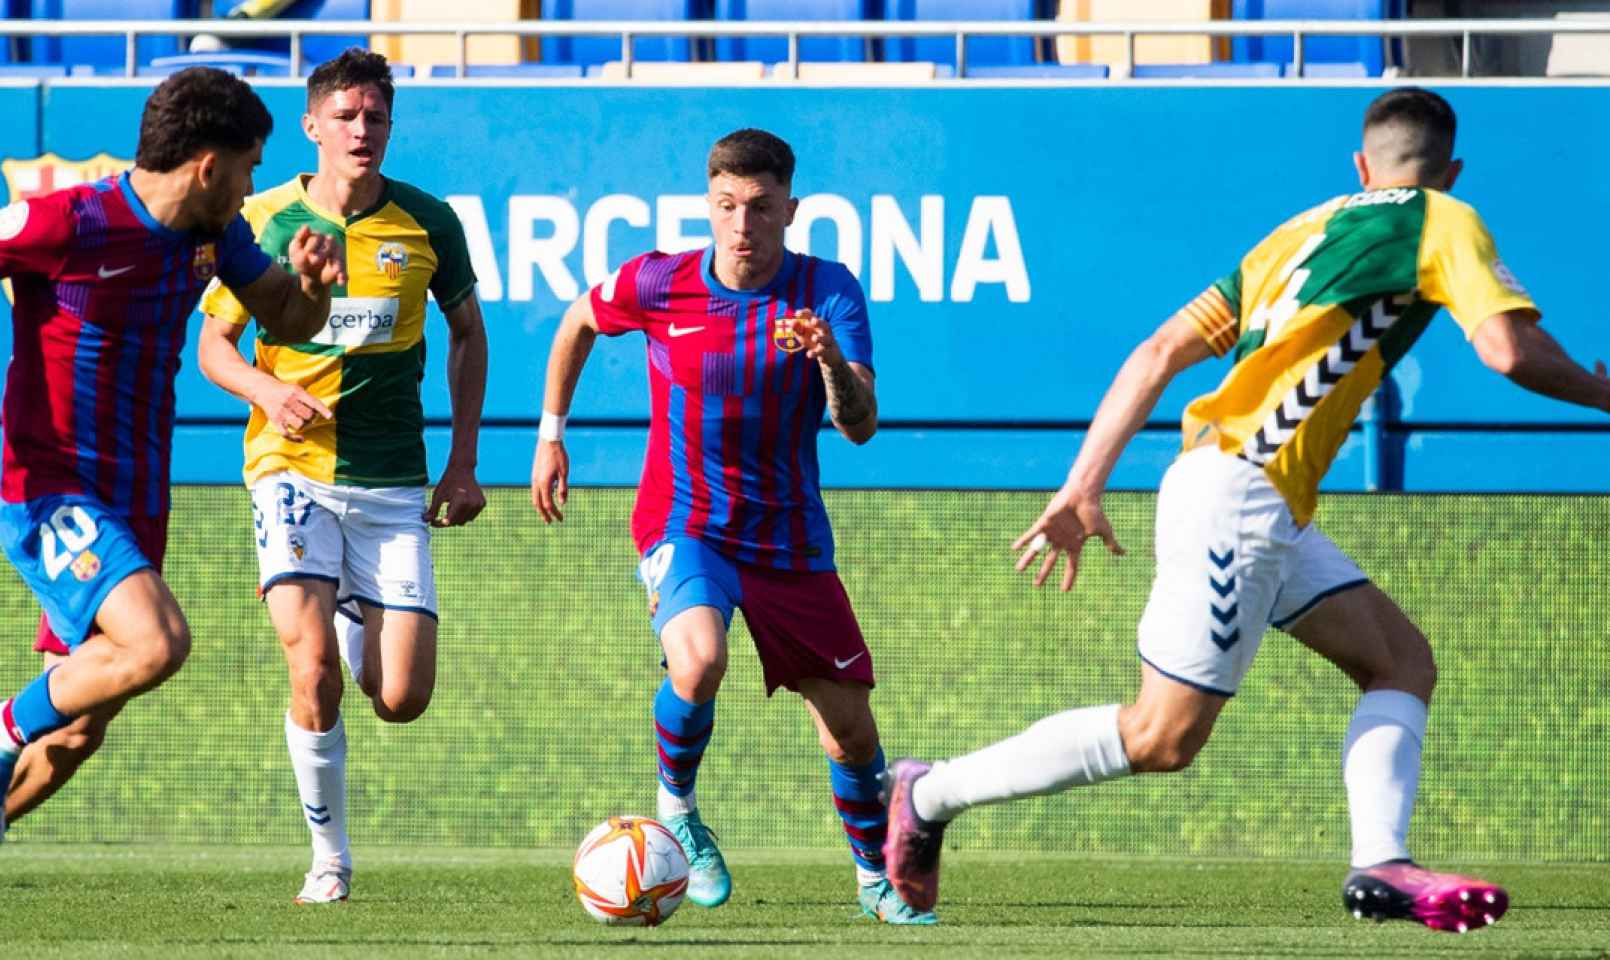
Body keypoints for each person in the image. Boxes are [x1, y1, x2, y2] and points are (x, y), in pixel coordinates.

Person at [883, 86, 1610, 933]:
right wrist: (1601, 391)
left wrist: (1083, 484)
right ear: (1448, 171)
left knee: (1401, 662)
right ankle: (929, 792)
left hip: (1246, 492)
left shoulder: (1300, 231)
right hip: (1241, 496)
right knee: (1163, 737)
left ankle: (1381, 865)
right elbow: (1508, 349)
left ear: (1360, 165)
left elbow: (1158, 352)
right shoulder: (1443, 218)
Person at [0, 67, 346, 943]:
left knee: (73, 737)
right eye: (253, 167)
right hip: (52, 490)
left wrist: (317, 282)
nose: (258, 186)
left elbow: (287, 320)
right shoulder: (70, 219)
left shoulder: (216, 239)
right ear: (211, 165)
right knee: (157, 643)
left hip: (136, 505)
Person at [529, 128, 933, 925]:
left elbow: (860, 424)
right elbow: (577, 320)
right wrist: (550, 432)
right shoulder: (659, 282)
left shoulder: (829, 291)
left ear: (790, 207)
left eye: (758, 207)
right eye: (726, 206)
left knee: (851, 732)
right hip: (686, 524)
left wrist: (828, 368)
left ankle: (875, 879)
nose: (742, 224)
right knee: (699, 658)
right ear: (707, 206)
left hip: (789, 540)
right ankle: (675, 809)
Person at [198, 48, 487, 905]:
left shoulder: (429, 222)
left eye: (378, 118)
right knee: (312, 666)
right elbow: (213, 345)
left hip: (393, 481)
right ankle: (330, 857)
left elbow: (470, 335)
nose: (364, 131)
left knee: (401, 698)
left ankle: (355, 600)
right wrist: (265, 386)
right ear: (313, 124)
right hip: (289, 470)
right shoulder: (261, 217)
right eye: (349, 116)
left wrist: (464, 463)